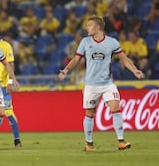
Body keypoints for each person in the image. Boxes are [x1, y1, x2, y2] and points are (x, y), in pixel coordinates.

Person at [58, 16, 145, 151]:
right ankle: (89, 144)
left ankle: (121, 141)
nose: (87, 28)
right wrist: (65, 70)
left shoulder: (112, 42)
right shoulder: (85, 42)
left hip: (107, 84)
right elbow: (76, 59)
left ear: (98, 27)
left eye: (90, 25)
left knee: (116, 108)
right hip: (91, 85)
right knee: (90, 113)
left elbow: (123, 58)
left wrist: (135, 70)